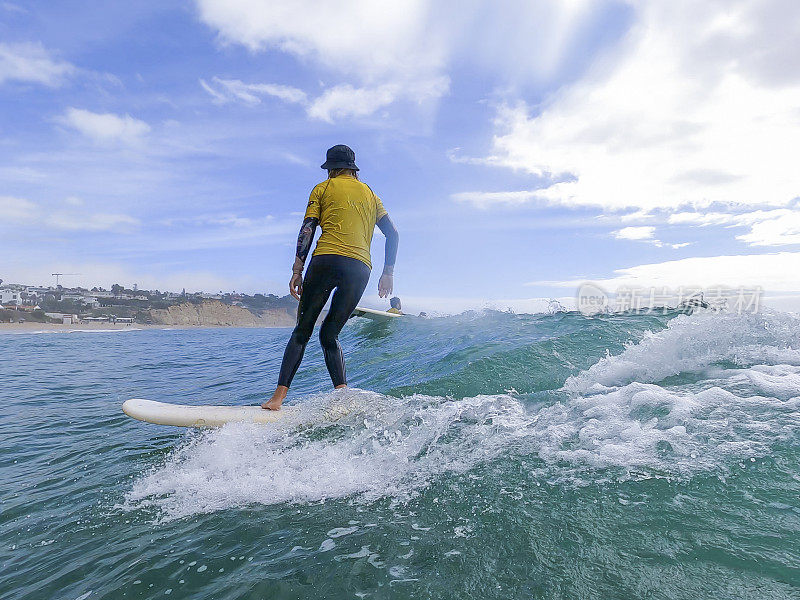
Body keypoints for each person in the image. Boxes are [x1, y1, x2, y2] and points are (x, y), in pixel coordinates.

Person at [262, 145, 399, 410]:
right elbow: (393, 233)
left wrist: (297, 269)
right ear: (353, 169)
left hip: (326, 260)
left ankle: (277, 399)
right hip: (360, 268)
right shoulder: (371, 195)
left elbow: (308, 228)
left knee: (303, 331)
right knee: (330, 335)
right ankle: (343, 395)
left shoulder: (322, 188)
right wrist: (388, 273)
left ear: (331, 169)